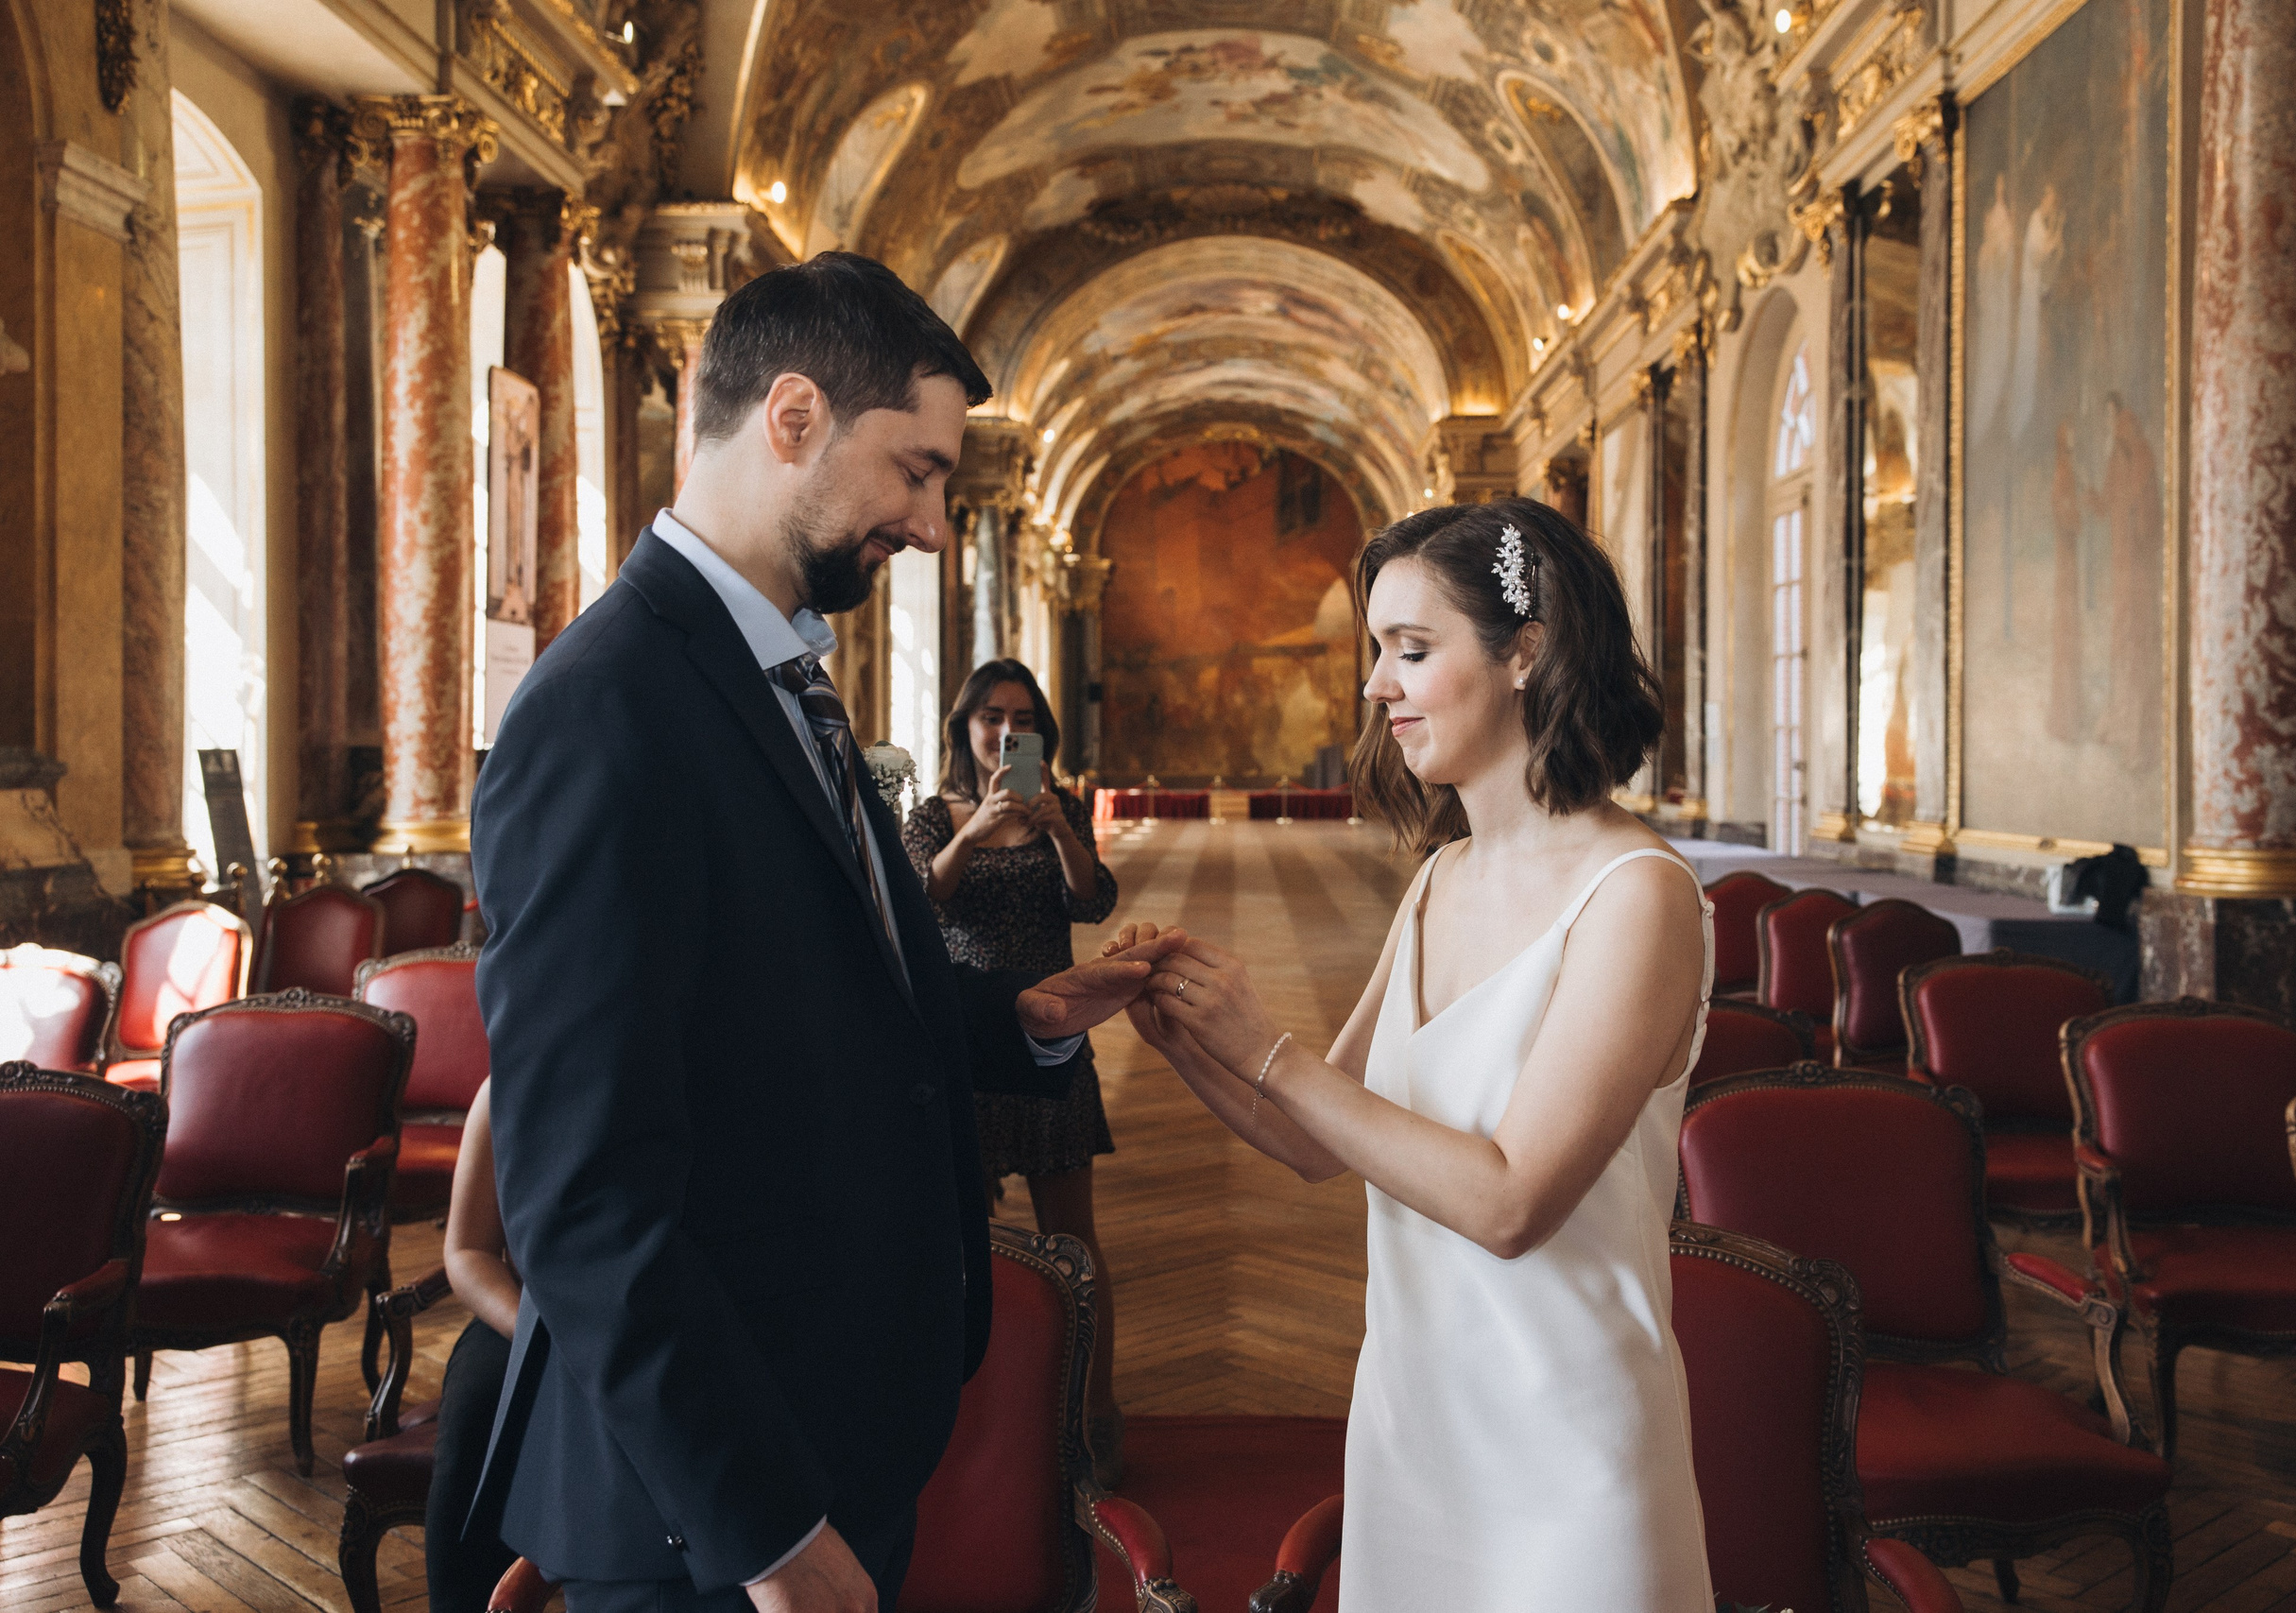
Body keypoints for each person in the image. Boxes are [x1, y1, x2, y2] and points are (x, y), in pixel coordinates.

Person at [468, 250, 1184, 1613]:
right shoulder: (604, 711)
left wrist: (1019, 1017)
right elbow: (581, 1196)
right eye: (914, 470)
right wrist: (766, 1532)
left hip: (831, 1428)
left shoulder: (779, 669)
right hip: (710, 1508)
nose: (926, 523)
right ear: (792, 416)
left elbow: (804, 1001)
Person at [1112, 498, 1718, 1608]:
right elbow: (1312, 1141)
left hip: (1567, 1441)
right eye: (1374, 651)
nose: (1373, 685)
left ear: (1525, 651)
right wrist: (1186, 1033)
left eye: (1411, 649)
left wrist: (1271, 1046)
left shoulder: (1637, 898)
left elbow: (1508, 1205)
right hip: (1410, 1421)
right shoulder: (1441, 878)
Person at [901, 661, 1124, 1480]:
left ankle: (1095, 1414)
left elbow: (1091, 901)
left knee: (1075, 1239)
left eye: (1020, 718)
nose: (1003, 731)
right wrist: (977, 824)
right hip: (963, 1037)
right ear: (964, 724)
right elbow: (920, 900)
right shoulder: (933, 815)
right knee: (957, 1240)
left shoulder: (1058, 806)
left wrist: (1058, 827)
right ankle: (973, 1423)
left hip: (1055, 1033)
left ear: (1039, 733)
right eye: (990, 715)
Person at [423, 1082, 521, 1613]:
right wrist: (536, 1335)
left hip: (669, 1321)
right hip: (525, 1319)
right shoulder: (504, 1086)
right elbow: (467, 1250)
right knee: (481, 1410)